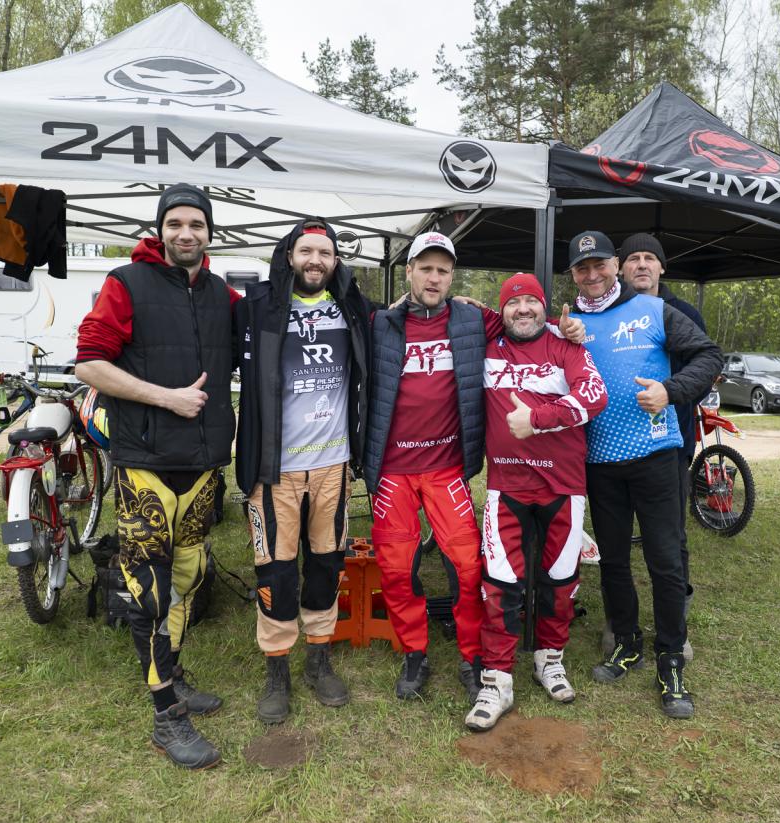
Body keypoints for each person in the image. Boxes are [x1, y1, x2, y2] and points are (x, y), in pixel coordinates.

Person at [75, 184, 238, 770]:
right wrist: (165, 397)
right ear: (161, 230)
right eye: (176, 224)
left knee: (189, 575)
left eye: (196, 224)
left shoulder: (222, 295)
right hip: (145, 462)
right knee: (150, 588)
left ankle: (172, 671)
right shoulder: (127, 283)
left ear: (210, 233)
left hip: (203, 464)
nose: (186, 233)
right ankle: (166, 715)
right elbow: (90, 363)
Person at [567, 230, 722, 719]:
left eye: (600, 265)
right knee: (613, 560)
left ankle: (671, 656)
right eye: (582, 268)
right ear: (573, 275)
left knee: (665, 561)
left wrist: (671, 390)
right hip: (599, 463)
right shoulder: (568, 324)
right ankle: (627, 641)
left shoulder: (654, 310)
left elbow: (710, 356)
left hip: (656, 456)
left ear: (614, 266)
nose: (593, 274)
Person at [234, 218, 371, 725]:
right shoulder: (257, 307)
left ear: (336, 261)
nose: (316, 261)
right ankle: (277, 671)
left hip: (333, 465)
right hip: (275, 470)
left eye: (325, 253)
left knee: (326, 564)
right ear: (289, 255)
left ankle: (319, 658)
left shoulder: (353, 306)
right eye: (306, 251)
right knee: (275, 569)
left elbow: (399, 321)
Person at [465, 274, 608, 732]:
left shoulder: (565, 345)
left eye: (531, 301)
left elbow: (595, 396)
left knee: (561, 582)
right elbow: (451, 308)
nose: (522, 309)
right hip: (505, 485)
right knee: (499, 584)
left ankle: (550, 660)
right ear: (501, 309)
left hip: (563, 485)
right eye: (513, 302)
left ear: (544, 307)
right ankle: (497, 680)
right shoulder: (488, 342)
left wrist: (538, 420)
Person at [364, 233, 489, 701]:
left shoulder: (473, 320)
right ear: (410, 271)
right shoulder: (381, 324)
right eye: (426, 268)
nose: (434, 278)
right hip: (394, 470)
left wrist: (570, 330)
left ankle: (472, 655)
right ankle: (414, 652)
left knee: (468, 566)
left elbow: (527, 322)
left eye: (443, 270)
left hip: (445, 468)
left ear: (452, 277)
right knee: (396, 569)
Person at [618, 232, 708, 662]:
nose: (641, 264)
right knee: (617, 541)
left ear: (661, 267)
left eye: (649, 258)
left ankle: (676, 625)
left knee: (670, 539)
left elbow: (704, 367)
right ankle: (620, 623)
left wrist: (670, 392)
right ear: (620, 269)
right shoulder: (608, 313)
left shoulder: (682, 313)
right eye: (633, 258)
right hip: (615, 449)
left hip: (670, 445)